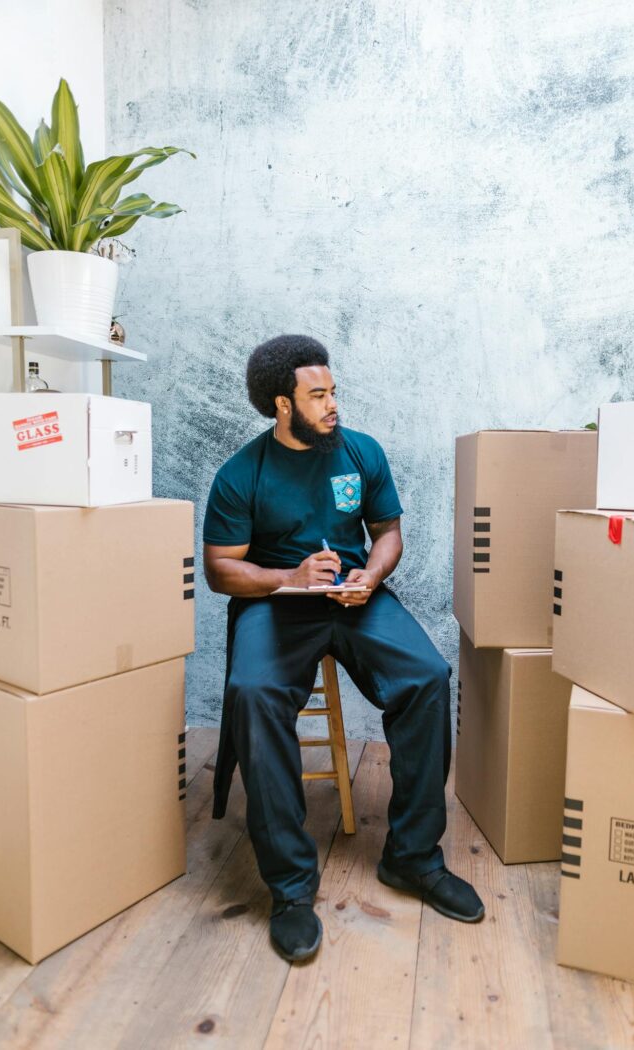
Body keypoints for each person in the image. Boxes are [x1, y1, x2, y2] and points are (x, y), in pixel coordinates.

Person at [203, 334, 484, 962]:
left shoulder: (361, 452)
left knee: (427, 676)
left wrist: (370, 577)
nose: (333, 404)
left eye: (334, 391)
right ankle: (291, 888)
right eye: (319, 395)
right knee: (253, 693)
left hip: (356, 599)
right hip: (277, 604)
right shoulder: (240, 473)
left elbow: (387, 533)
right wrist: (289, 578)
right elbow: (222, 569)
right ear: (283, 404)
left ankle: (412, 859)